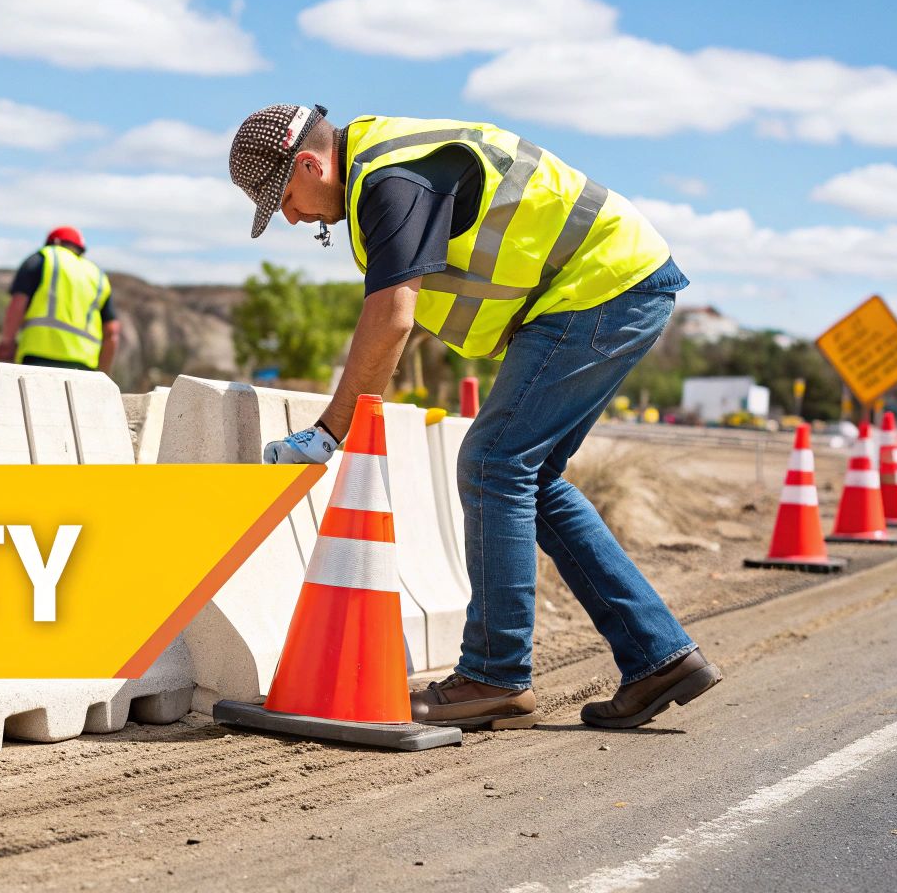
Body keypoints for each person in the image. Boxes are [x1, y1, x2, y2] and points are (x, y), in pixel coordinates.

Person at [230, 104, 720, 732]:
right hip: (607, 286)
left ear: (310, 163)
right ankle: (659, 658)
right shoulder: (381, 174)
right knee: (529, 478)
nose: (292, 216)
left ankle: (494, 676)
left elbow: (392, 319)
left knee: (493, 463)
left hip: (599, 287)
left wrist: (330, 430)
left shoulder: (388, 180)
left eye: (286, 198)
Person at [0, 226, 122, 373]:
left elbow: (18, 304)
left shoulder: (43, 258)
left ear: (54, 242)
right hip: (84, 366)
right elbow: (112, 332)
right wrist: (102, 374)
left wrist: (7, 343)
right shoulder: (98, 276)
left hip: (38, 357)